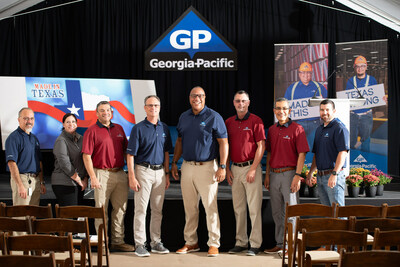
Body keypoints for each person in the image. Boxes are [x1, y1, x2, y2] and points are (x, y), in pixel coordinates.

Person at [171, 86, 228, 257]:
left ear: (205, 97)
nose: (197, 98)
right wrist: (174, 162)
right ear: (189, 98)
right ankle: (191, 242)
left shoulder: (214, 116)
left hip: (208, 167)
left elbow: (223, 142)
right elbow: (179, 141)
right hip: (187, 166)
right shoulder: (184, 117)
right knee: (190, 208)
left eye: (200, 96)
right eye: (194, 96)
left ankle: (214, 243)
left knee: (210, 207)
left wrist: (223, 166)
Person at [82, 101, 134, 252]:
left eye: (108, 110)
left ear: (112, 112)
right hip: (101, 173)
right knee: (101, 210)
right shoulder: (91, 131)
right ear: (97, 114)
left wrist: (130, 173)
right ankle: (102, 243)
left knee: (120, 209)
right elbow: (86, 156)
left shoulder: (119, 128)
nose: (106, 113)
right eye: (102, 110)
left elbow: (126, 151)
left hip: (119, 173)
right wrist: (93, 176)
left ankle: (117, 241)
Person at [127, 95, 172, 257]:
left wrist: (166, 174)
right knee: (141, 210)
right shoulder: (138, 128)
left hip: (160, 173)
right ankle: (140, 244)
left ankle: (155, 242)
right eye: (150, 105)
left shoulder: (164, 128)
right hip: (143, 171)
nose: (153, 108)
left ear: (159, 107)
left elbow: (166, 152)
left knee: (157, 210)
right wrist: (131, 176)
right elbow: (130, 155)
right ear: (145, 108)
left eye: (156, 105)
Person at [264, 98, 309, 254]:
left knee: (291, 212)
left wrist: (297, 175)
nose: (281, 111)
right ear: (274, 111)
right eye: (278, 108)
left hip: (290, 173)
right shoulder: (271, 130)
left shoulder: (298, 129)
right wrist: (267, 175)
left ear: (289, 111)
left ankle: (291, 245)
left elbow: (302, 154)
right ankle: (280, 243)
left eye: (284, 108)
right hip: (274, 174)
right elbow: (269, 152)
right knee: (277, 212)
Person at [225, 90, 265, 256]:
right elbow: (224, 147)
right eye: (237, 101)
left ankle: (255, 244)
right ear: (233, 103)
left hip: (251, 168)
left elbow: (261, 146)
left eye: (243, 101)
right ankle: (240, 242)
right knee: (239, 208)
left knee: (254, 209)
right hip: (235, 169)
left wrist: (254, 168)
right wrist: (226, 169)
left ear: (248, 103)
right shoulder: (228, 122)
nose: (240, 104)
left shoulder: (256, 121)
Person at [306, 99, 349, 207]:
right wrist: (311, 173)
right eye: (322, 110)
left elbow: (343, 152)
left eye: (327, 110)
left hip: (333, 176)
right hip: (320, 176)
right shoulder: (319, 130)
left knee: (337, 213)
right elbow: (317, 154)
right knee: (327, 213)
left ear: (334, 111)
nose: (324, 112)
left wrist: (334, 174)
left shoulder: (339, 128)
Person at [5, 107, 46, 205]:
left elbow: (39, 162)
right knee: (21, 216)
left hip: (35, 181)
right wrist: (20, 185)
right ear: (19, 120)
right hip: (22, 179)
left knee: (33, 215)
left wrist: (41, 182)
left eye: (31, 119)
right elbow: (11, 163)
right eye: (26, 118)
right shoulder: (13, 138)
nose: (29, 121)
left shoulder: (34, 139)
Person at [284, 62, 328, 148]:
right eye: (303, 72)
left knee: (315, 148)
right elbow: (285, 106)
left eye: (308, 72)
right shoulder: (291, 88)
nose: (305, 75)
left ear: (311, 74)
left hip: (315, 123)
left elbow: (327, 103)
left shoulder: (319, 87)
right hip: (298, 123)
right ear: (299, 74)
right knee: (298, 148)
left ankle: (312, 162)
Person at [51, 113, 88, 206]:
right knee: (70, 217)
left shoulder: (82, 139)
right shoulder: (61, 140)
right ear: (63, 124)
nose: (71, 124)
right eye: (68, 122)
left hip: (78, 183)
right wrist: (79, 180)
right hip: (64, 184)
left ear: (77, 123)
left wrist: (86, 179)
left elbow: (86, 159)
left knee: (78, 215)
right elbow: (64, 163)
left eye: (73, 121)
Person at [345, 55, 377, 151]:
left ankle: (365, 163)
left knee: (366, 141)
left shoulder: (372, 80)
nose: (360, 69)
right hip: (353, 115)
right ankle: (352, 164)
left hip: (366, 115)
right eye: (358, 66)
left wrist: (382, 97)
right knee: (351, 141)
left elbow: (376, 96)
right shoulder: (350, 81)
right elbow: (347, 97)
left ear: (366, 67)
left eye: (362, 66)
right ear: (355, 68)